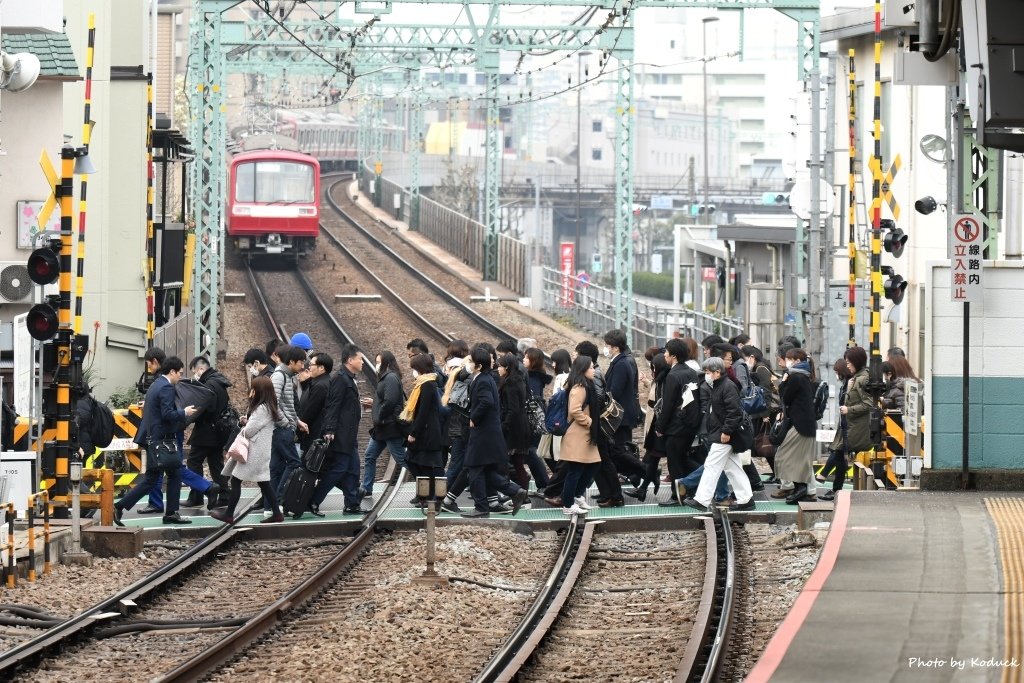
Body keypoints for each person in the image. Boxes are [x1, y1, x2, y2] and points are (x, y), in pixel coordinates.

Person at [114, 357, 197, 526]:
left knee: (154, 478)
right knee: (172, 474)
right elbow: (167, 414)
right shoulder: (166, 387)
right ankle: (171, 513)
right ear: (172, 371)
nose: (180, 377)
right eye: (179, 374)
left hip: (154, 440)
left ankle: (121, 506)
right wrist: (184, 412)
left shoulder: (155, 385)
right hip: (163, 441)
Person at [461, 347, 528, 518]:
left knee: (474, 468)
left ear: (477, 365)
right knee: (483, 470)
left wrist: (474, 418)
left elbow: (486, 402)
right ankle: (514, 491)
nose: (467, 364)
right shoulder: (486, 378)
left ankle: (482, 507)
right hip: (489, 432)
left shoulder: (482, 380)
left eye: (470, 361)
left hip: (483, 432)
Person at [682, 357, 755, 512]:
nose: (706, 375)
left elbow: (733, 412)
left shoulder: (726, 386)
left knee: (711, 466)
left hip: (723, 434)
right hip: (722, 433)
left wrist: (726, 431)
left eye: (708, 372)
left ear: (716, 372)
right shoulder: (721, 385)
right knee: (733, 468)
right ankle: (746, 499)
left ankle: (701, 500)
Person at [210, 377, 285, 524]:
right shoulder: (268, 406)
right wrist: (248, 421)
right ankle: (277, 513)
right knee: (264, 482)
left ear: (259, 391)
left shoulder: (262, 408)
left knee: (237, 479)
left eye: (253, 389)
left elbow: (250, 431)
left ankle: (229, 515)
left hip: (254, 451)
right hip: (259, 450)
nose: (251, 391)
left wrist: (246, 425)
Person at [316, 344, 367, 515]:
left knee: (353, 469)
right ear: (350, 360)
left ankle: (352, 504)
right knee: (339, 469)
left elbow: (345, 405)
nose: (362, 362)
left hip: (349, 434)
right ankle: (313, 500)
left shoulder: (349, 377)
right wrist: (329, 429)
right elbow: (333, 405)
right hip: (341, 434)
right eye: (360, 359)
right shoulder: (340, 378)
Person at [656, 338, 704, 505]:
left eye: (667, 353)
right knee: (683, 458)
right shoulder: (691, 372)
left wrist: (660, 427)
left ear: (674, 356)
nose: (665, 355)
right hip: (690, 424)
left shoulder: (673, 375)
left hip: (676, 426)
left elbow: (668, 404)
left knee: (675, 462)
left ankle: (677, 496)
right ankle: (692, 489)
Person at [821, 348, 873, 501]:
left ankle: (825, 478)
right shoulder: (855, 378)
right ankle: (834, 488)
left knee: (838, 452)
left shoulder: (863, 379)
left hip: (855, 426)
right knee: (839, 454)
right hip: (848, 424)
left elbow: (869, 404)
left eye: (849, 362)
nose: (847, 365)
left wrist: (848, 409)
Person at [600, 329, 645, 499]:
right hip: (623, 415)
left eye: (608, 346)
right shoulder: (624, 359)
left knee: (618, 450)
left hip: (620, 416)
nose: (606, 348)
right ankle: (634, 475)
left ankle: (645, 471)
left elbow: (615, 392)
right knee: (619, 450)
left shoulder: (621, 363)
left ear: (616, 348)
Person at [184, 356, 231, 508]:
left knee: (193, 461)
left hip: (206, 431)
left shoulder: (208, 384)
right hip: (218, 431)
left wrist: (192, 414)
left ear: (201, 369)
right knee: (216, 464)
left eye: (195, 372)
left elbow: (207, 409)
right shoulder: (219, 381)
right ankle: (224, 495)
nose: (194, 376)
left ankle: (197, 494)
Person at [559, 355, 603, 515]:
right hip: (577, 434)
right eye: (591, 367)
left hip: (584, 434)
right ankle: (568, 504)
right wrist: (589, 422)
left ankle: (577, 495)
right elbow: (574, 410)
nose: (593, 370)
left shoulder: (586, 385)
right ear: (583, 369)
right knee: (575, 470)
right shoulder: (580, 387)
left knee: (593, 464)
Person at [773, 348, 818, 504]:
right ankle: (803, 490)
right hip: (805, 424)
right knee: (800, 460)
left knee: (784, 456)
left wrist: (783, 381)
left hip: (801, 425)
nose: (787, 362)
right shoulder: (804, 376)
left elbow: (785, 397)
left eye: (789, 359)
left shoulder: (796, 377)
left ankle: (801, 489)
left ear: (797, 361)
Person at [361, 351, 408, 497]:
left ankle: (426, 482)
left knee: (401, 458)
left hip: (389, 426)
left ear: (387, 363)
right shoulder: (386, 377)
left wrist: (379, 415)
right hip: (381, 427)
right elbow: (386, 399)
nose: (377, 365)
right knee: (369, 455)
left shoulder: (391, 378)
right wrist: (375, 404)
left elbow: (390, 401)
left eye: (379, 362)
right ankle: (366, 488)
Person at [625, 348, 668, 502]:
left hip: (660, 426)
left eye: (653, 366)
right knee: (653, 456)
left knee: (655, 455)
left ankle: (641, 482)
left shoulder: (666, 380)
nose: (652, 368)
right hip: (656, 424)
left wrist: (660, 427)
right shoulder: (660, 379)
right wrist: (646, 382)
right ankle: (642, 487)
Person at [402, 353, 445, 505]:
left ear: (419, 368)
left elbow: (423, 412)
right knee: (415, 461)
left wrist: (414, 432)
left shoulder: (427, 384)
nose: (412, 371)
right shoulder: (422, 384)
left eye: (413, 368)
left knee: (422, 464)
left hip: (427, 432)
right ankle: (424, 495)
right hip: (425, 430)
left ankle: (429, 496)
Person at [269, 344, 308, 501]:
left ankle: (269, 506)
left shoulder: (287, 376)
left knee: (276, 468)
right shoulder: (279, 376)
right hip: (281, 430)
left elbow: (287, 405)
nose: (303, 366)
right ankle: (278, 499)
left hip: (283, 429)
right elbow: (273, 404)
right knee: (294, 463)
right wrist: (286, 423)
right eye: (301, 362)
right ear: (291, 361)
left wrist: (297, 421)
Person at [497, 352, 532, 490]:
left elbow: (513, 409)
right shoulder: (518, 379)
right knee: (517, 463)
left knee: (511, 462)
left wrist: (503, 426)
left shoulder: (510, 383)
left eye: (500, 366)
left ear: (506, 368)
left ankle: (519, 493)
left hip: (514, 428)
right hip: (520, 425)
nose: (498, 369)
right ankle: (522, 493)